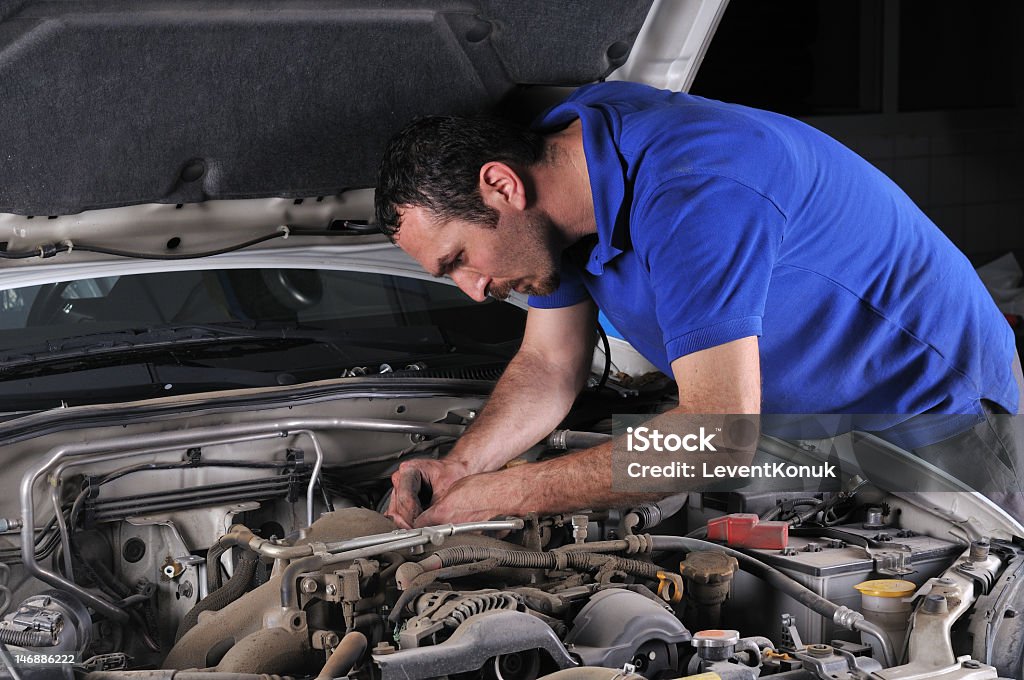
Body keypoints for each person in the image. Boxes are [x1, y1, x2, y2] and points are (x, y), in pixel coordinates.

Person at [373, 81, 1022, 529]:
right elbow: (549, 362)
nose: (473, 288)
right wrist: (461, 470)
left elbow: (718, 434)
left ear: (501, 185)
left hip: (942, 425)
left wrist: (506, 495)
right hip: (814, 435)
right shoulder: (566, 178)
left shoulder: (695, 187)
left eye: (458, 259)